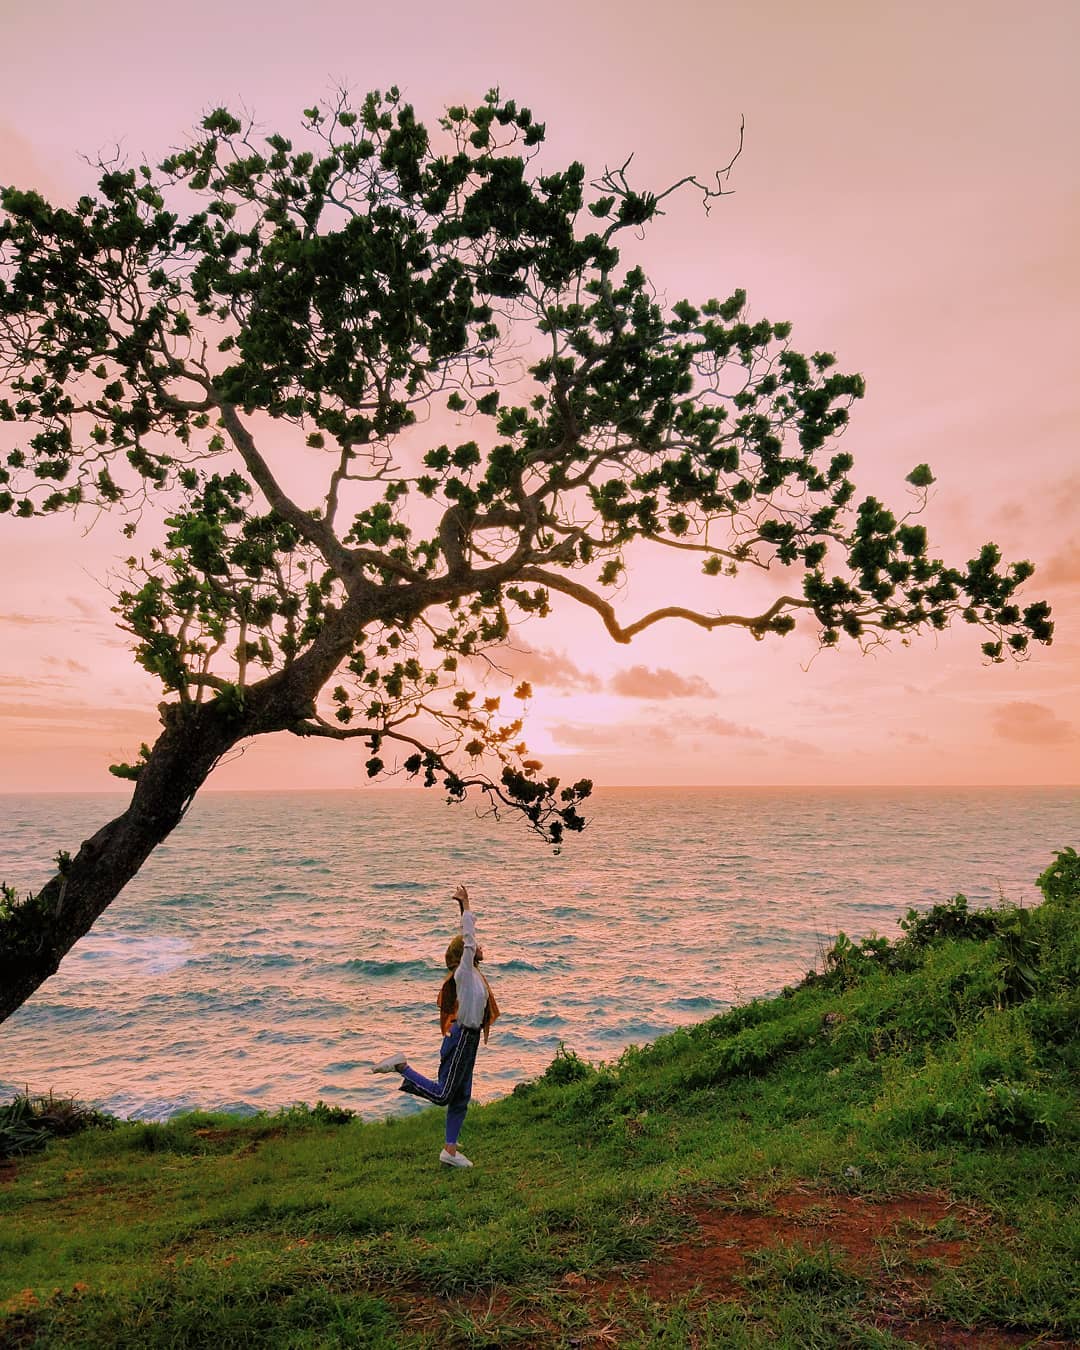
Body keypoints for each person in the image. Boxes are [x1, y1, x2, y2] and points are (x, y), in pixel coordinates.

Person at [372, 883, 499, 1168]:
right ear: (465, 955)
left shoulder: (474, 974)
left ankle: (450, 1152)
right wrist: (466, 905)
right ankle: (402, 1066)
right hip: (463, 1038)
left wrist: (460, 908)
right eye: (475, 947)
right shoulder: (465, 972)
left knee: (461, 1097)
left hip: (468, 1039)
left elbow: (464, 942)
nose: (480, 947)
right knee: (444, 1095)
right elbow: (467, 940)